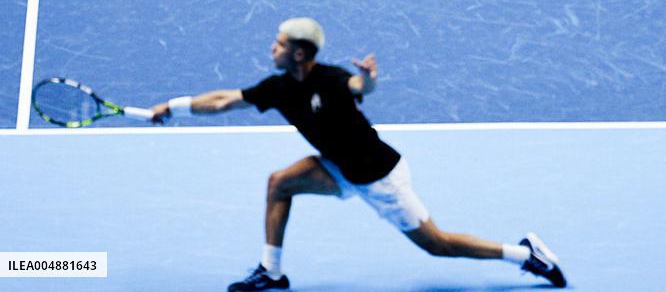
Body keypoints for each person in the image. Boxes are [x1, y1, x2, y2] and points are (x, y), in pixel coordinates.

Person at [151, 17, 566, 291]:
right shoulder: (278, 87)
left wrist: (367, 79)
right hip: (336, 167)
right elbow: (226, 100)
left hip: (378, 177)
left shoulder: (331, 80)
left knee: (436, 245)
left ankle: (526, 255)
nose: (270, 48)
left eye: (278, 44)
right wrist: (174, 105)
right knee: (279, 184)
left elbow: (359, 89)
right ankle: (272, 272)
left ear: (298, 52)